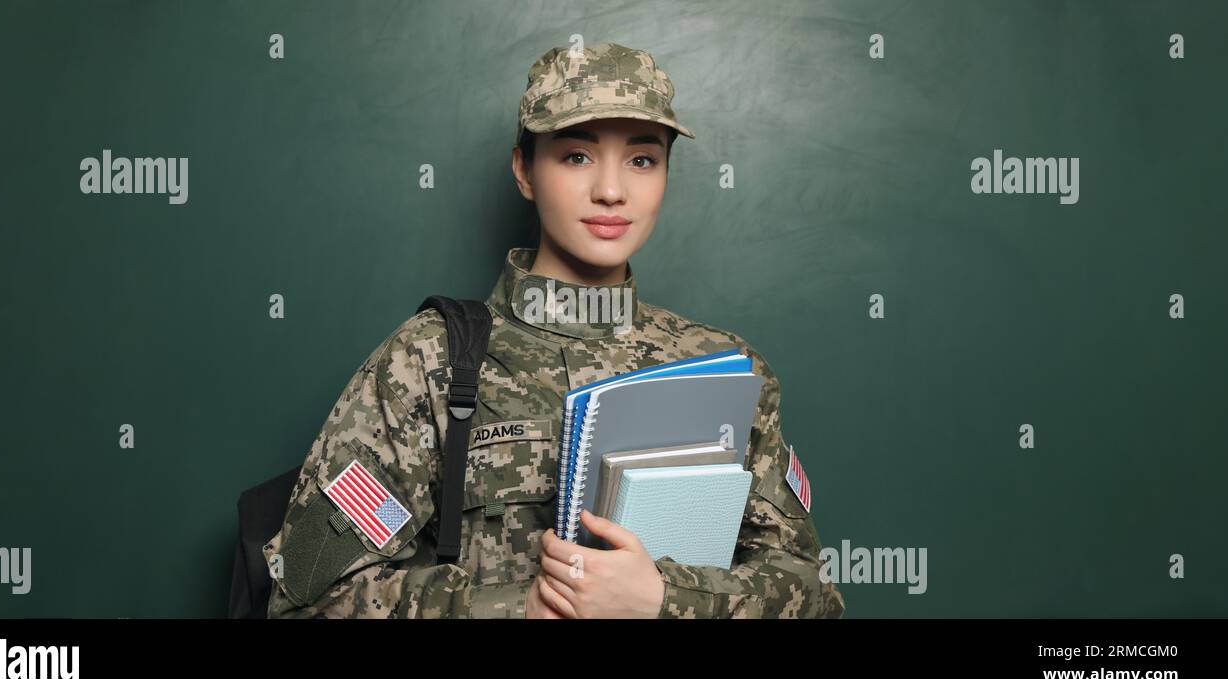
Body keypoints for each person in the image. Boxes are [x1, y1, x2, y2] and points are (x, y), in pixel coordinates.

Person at [263, 41, 845, 619]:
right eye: (576, 156)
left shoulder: (727, 371)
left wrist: (665, 599)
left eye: (642, 159)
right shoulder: (428, 362)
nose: (612, 190)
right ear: (524, 170)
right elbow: (306, 599)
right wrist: (522, 609)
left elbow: (815, 594)